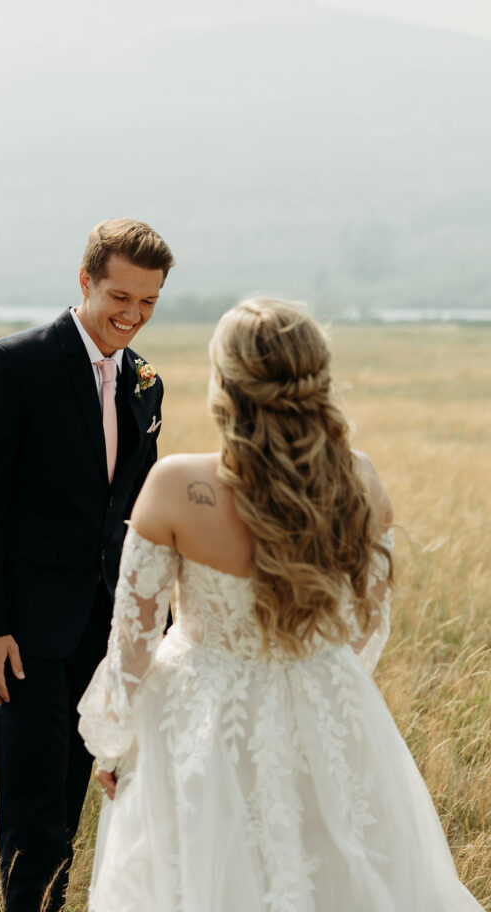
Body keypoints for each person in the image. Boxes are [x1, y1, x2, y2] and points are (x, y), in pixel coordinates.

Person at [78, 297, 483, 911]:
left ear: (226, 384)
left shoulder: (176, 488)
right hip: (326, 716)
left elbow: (131, 644)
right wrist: (320, 697)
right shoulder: (361, 481)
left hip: (199, 725)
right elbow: (368, 627)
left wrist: (113, 743)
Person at [0, 218, 174, 912]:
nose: (132, 316)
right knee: (36, 822)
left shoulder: (145, 382)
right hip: (25, 640)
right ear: (85, 281)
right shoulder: (11, 364)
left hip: (111, 638)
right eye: (119, 297)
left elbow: (139, 514)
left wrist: (155, 635)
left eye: (148, 303)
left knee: (98, 808)